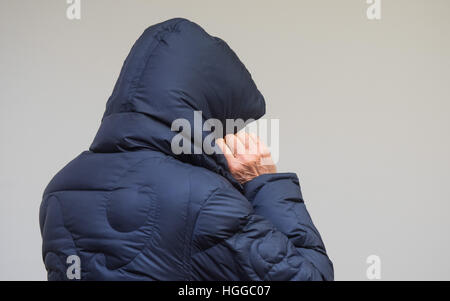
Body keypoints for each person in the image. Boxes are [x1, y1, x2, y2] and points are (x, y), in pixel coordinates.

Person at [39, 18, 333, 281]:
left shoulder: (60, 188)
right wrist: (264, 181)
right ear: (207, 114)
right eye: (229, 123)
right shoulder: (203, 198)